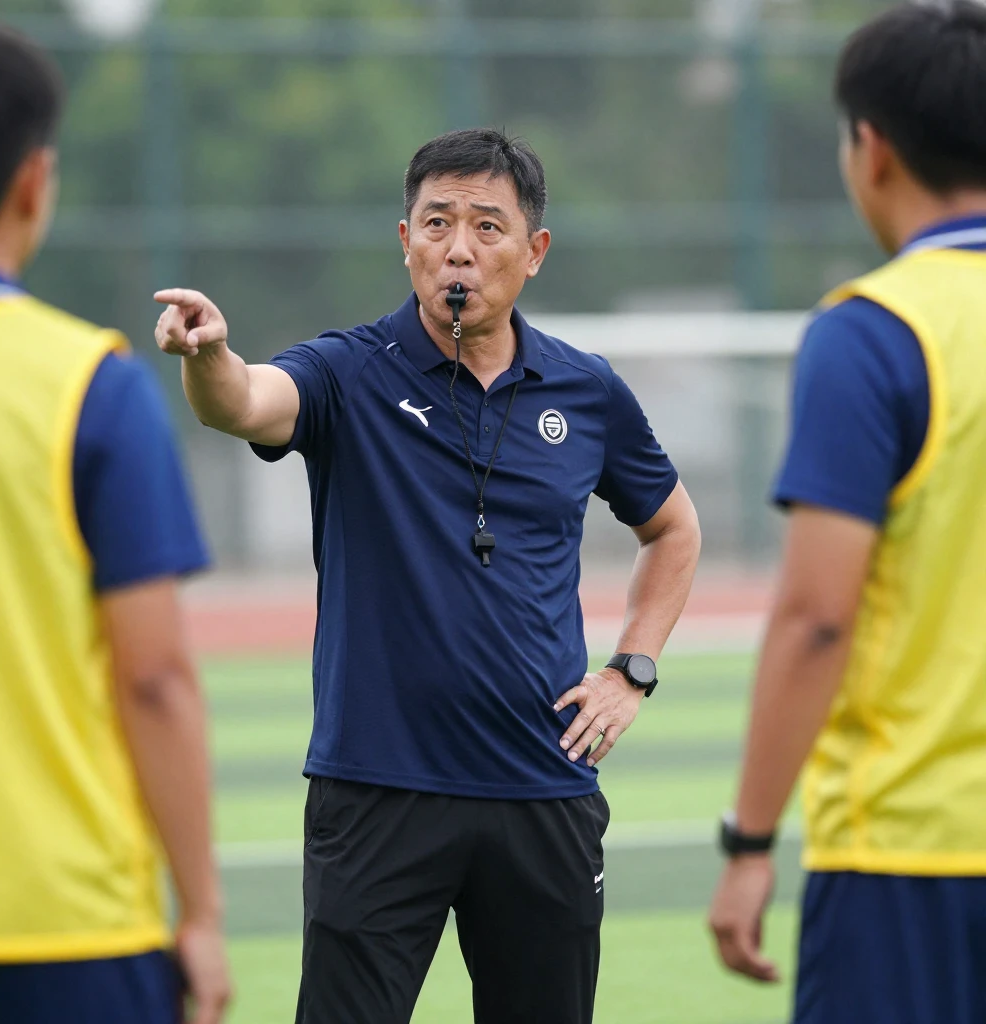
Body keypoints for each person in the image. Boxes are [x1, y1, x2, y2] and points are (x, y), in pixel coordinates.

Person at [155, 127, 701, 1023]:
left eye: (488, 226)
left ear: (535, 251)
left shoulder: (587, 390)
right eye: (437, 222)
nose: (459, 247)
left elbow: (673, 527)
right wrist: (209, 355)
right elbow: (246, 402)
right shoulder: (346, 371)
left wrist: (631, 670)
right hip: (377, 792)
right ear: (405, 241)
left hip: (543, 787)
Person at [708, 3, 986, 1022]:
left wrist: (749, 841)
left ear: (871, 149)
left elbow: (817, 616)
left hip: (909, 856)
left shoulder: (871, 333)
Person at [0, 17, 231, 1024]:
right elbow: (153, 676)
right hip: (61, 926)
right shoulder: (90, 384)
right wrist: (201, 911)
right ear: (34, 181)